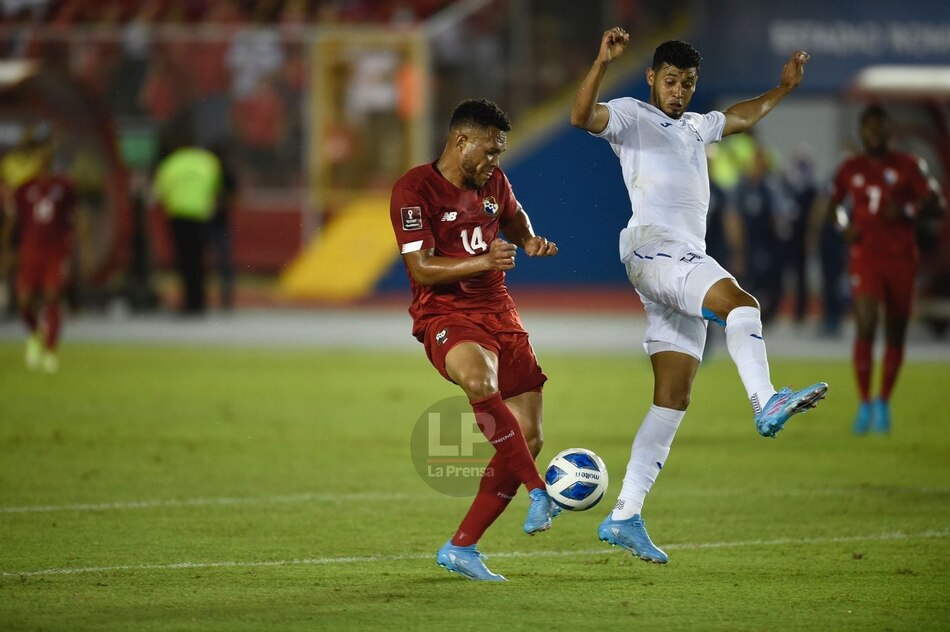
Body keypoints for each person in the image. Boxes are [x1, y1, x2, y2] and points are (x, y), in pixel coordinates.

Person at [570, 28, 828, 564]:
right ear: (651, 79)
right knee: (744, 306)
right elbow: (580, 116)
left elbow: (740, 116)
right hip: (656, 250)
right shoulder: (630, 116)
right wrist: (600, 62)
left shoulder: (693, 127)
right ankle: (766, 400)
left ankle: (624, 514)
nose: (678, 91)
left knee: (673, 397)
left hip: (675, 262)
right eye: (669, 81)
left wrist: (782, 89)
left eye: (687, 83)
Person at [390, 98, 560, 581]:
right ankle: (537, 490)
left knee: (531, 434)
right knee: (477, 377)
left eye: (500, 153)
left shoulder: (494, 183)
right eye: (489, 151)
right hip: (445, 311)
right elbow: (421, 267)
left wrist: (527, 239)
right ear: (461, 141)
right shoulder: (414, 189)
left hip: (499, 312)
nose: (495, 162)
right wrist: (485, 261)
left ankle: (462, 547)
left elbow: (514, 213)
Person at [823, 105, 945, 434]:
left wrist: (907, 208)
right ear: (862, 132)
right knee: (865, 323)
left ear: (890, 132)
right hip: (866, 256)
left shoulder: (909, 166)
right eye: (869, 129)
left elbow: (938, 204)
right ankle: (864, 403)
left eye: (880, 128)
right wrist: (844, 225)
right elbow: (833, 207)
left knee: (895, 330)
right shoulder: (851, 169)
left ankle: (883, 401)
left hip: (902, 259)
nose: (875, 134)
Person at [0, 127, 78, 373]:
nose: (43, 155)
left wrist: (76, 251)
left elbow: (73, 220)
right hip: (30, 250)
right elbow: (14, 222)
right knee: (24, 300)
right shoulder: (24, 188)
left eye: (47, 150)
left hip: (54, 250)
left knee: (52, 296)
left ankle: (51, 350)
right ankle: (34, 335)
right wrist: (5, 249)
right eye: (39, 151)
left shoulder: (64, 186)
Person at [153, 139, 222, 315]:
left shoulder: (171, 164)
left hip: (178, 215)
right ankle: (199, 301)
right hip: (200, 215)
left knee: (184, 260)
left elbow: (160, 192)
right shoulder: (207, 162)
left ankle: (189, 301)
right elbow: (215, 188)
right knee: (198, 260)